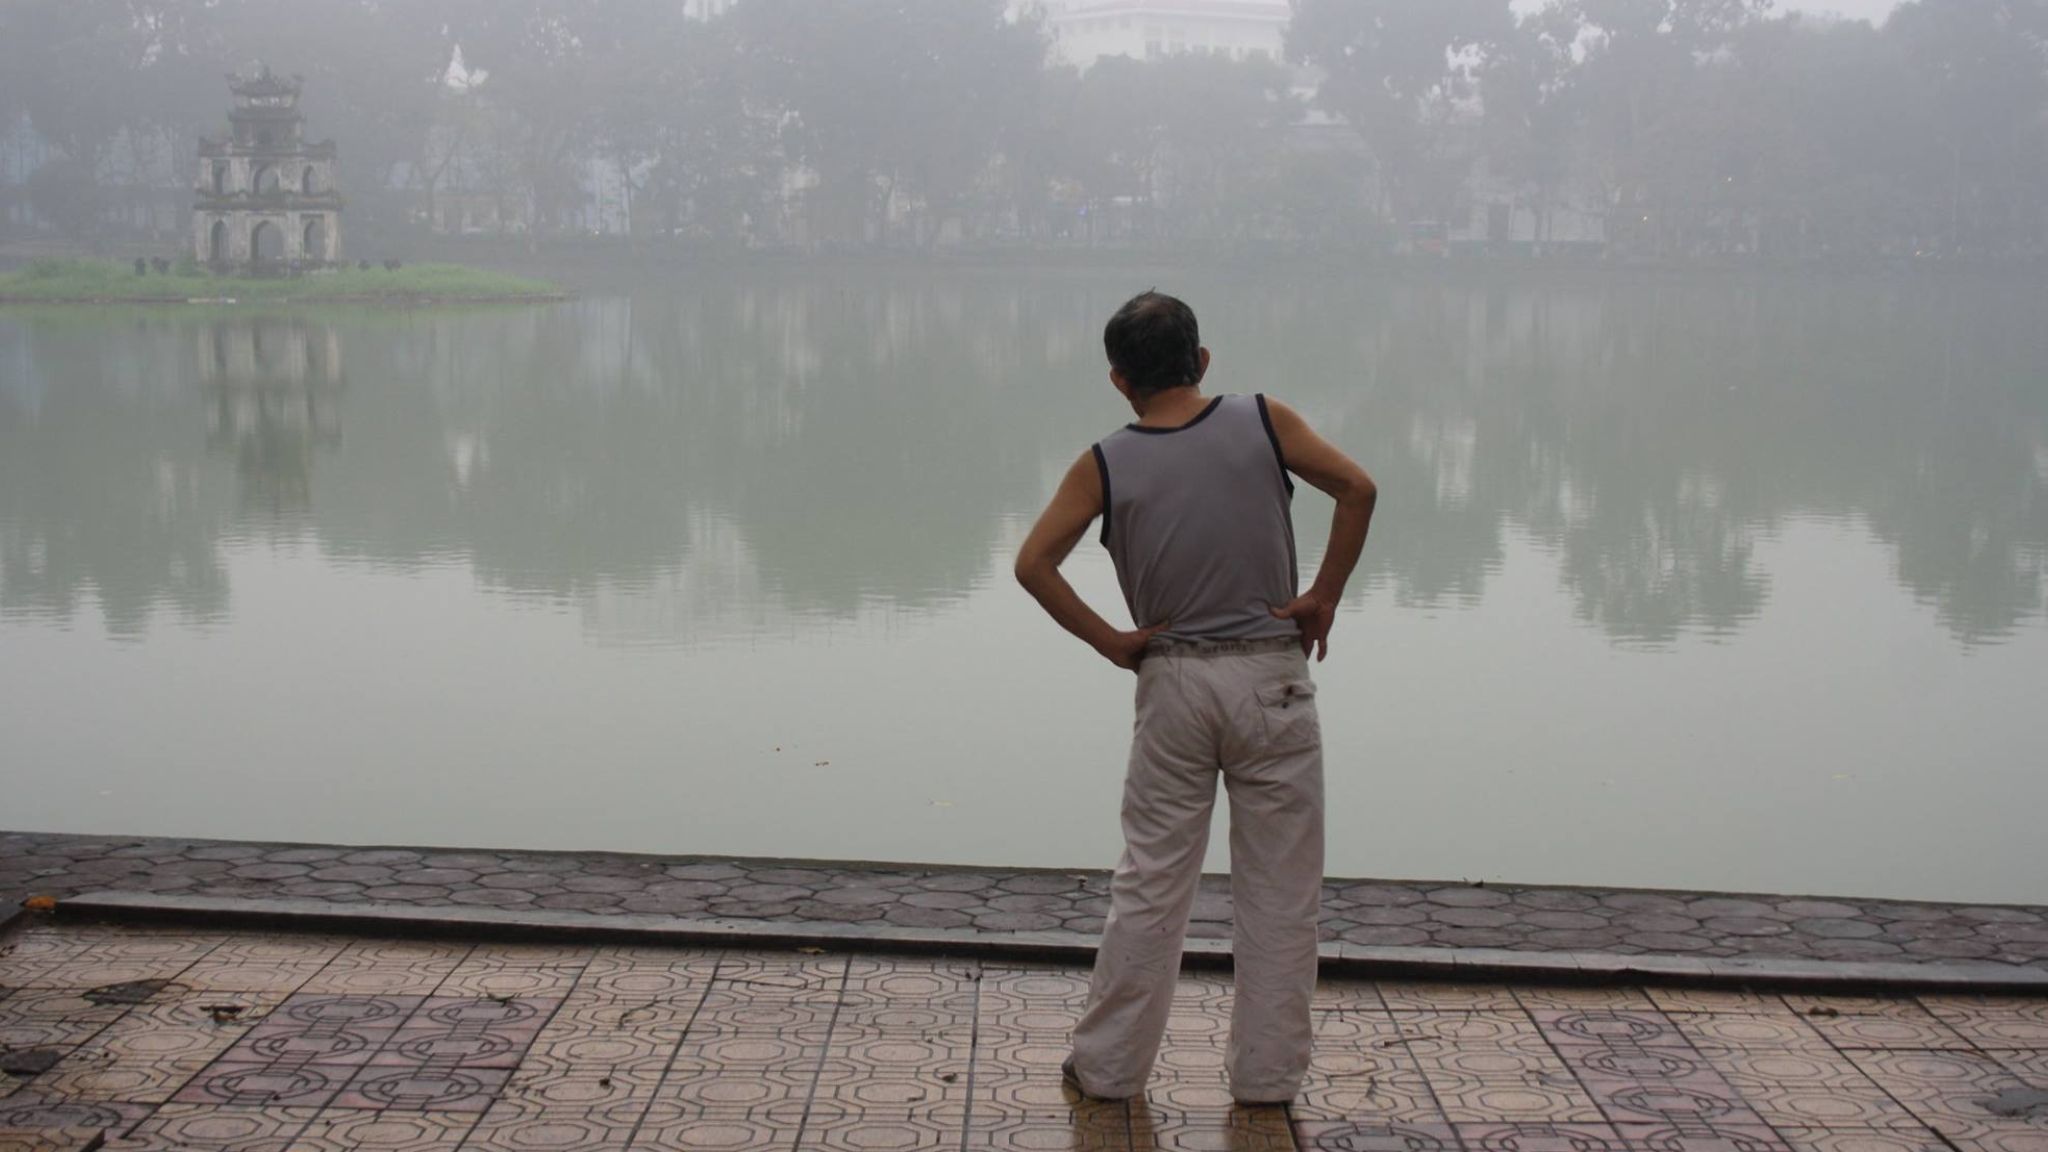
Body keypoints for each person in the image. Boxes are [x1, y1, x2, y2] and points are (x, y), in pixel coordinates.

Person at [1014, 290, 1377, 1105]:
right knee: (1282, 891)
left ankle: (1107, 1069)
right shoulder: (1262, 420)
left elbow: (1033, 565)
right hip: (1272, 677)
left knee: (1150, 882)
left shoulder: (1104, 461)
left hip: (1171, 677)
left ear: (1118, 380)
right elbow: (1358, 489)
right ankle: (1266, 1079)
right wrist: (1324, 591)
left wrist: (1112, 640)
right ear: (1202, 361)